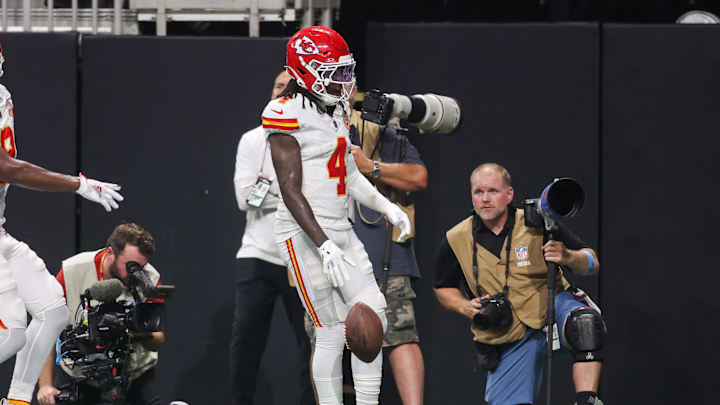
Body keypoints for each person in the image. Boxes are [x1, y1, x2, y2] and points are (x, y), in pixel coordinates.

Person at [265, 26, 411, 405]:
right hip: (303, 234)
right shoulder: (283, 113)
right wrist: (324, 245)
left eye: (346, 71)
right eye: (335, 73)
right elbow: (290, 191)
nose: (345, 82)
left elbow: (348, 174)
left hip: (339, 228)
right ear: (306, 71)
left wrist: (387, 206)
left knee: (374, 312)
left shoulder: (337, 108)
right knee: (330, 329)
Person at [0, 43, 123, 405]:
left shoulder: (3, 94)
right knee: (11, 335)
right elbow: (5, 168)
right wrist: (79, 183)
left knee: (53, 310)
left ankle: (18, 401)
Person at [434, 163, 606, 405]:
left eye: (493, 191)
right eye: (478, 192)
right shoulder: (457, 237)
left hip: (551, 303)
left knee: (585, 324)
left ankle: (587, 400)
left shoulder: (537, 221)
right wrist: (463, 306)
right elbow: (442, 287)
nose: (485, 199)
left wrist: (568, 256)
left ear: (509, 194)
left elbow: (592, 263)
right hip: (508, 329)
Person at [229, 70, 314, 405]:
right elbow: (245, 199)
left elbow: (315, 198)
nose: (282, 92)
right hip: (258, 255)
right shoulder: (253, 140)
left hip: (302, 257)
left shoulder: (312, 141)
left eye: (289, 88)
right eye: (278, 86)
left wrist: (272, 188)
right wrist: (292, 194)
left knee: (313, 342)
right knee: (245, 341)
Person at [36, 223, 164, 405]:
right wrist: (45, 385)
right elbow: (46, 327)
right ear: (110, 253)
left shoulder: (150, 279)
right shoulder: (73, 271)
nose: (135, 273)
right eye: (130, 266)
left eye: (141, 266)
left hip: (133, 375)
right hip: (79, 376)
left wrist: (136, 330)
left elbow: (158, 341)